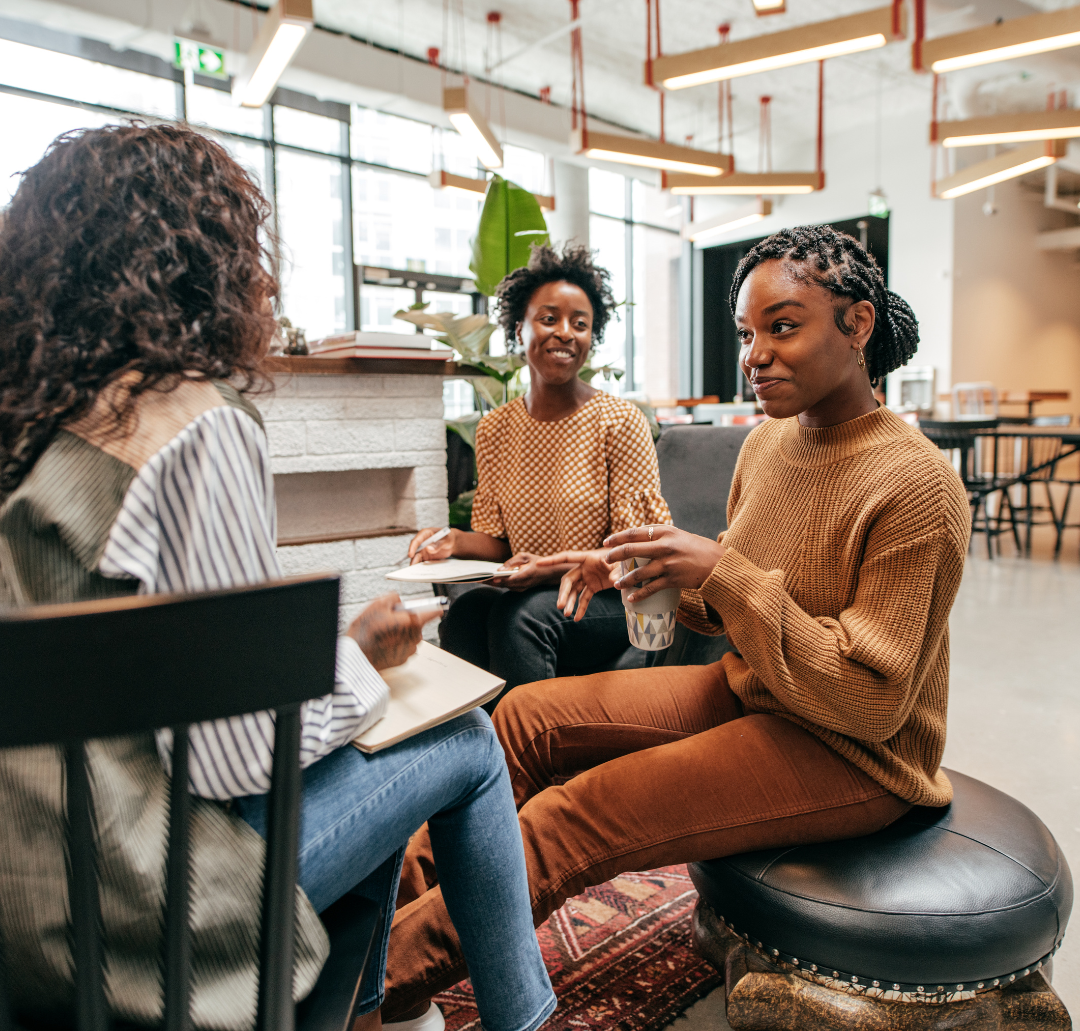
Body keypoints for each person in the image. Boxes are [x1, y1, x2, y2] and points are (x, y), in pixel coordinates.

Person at [0, 123, 555, 1031]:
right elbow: (232, 758)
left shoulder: (25, 424)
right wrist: (363, 671)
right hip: (141, 925)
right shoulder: (186, 424)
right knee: (459, 745)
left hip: (18, 910)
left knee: (368, 752)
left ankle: (370, 1014)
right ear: (206, 260)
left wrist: (338, 659)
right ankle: (520, 1020)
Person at [380, 224, 971, 1018]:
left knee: (571, 816)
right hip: (757, 688)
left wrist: (722, 573)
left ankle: (355, 986)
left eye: (783, 327)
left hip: (856, 753)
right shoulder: (766, 447)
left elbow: (873, 700)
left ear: (857, 325)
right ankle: (360, 915)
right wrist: (637, 570)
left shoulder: (917, 484)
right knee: (518, 719)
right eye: (747, 333)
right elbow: (719, 597)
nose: (754, 354)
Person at [408, 243, 671, 699]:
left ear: (592, 337)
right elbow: (497, 543)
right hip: (535, 591)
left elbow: (640, 552)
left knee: (521, 617)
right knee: (467, 613)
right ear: (519, 329)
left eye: (580, 323)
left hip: (610, 596)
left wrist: (548, 569)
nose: (565, 333)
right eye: (549, 319)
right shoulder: (495, 428)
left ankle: (534, 763)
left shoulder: (619, 421)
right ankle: (482, 752)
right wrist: (450, 540)